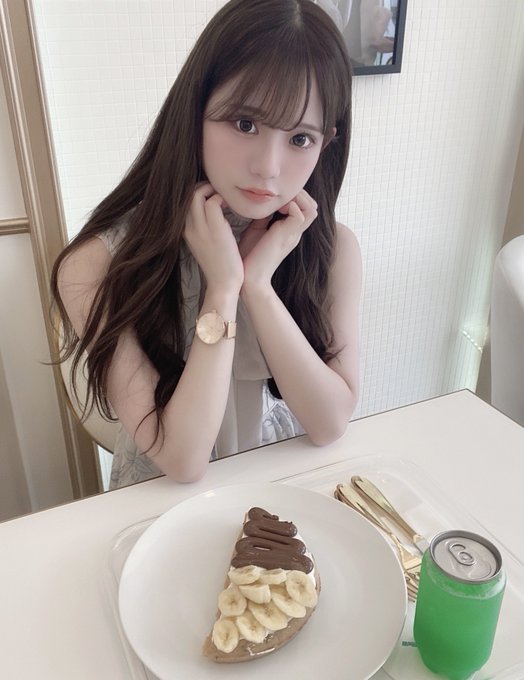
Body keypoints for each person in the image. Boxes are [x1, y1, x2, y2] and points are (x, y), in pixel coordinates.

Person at [51, 0, 362, 489]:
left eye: (300, 138)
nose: (268, 167)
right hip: (162, 506)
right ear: (195, 112)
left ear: (327, 142)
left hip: (283, 493)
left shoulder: (333, 249)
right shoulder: (96, 264)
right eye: (245, 124)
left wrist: (257, 286)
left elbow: (330, 423)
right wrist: (223, 288)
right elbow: (183, 459)